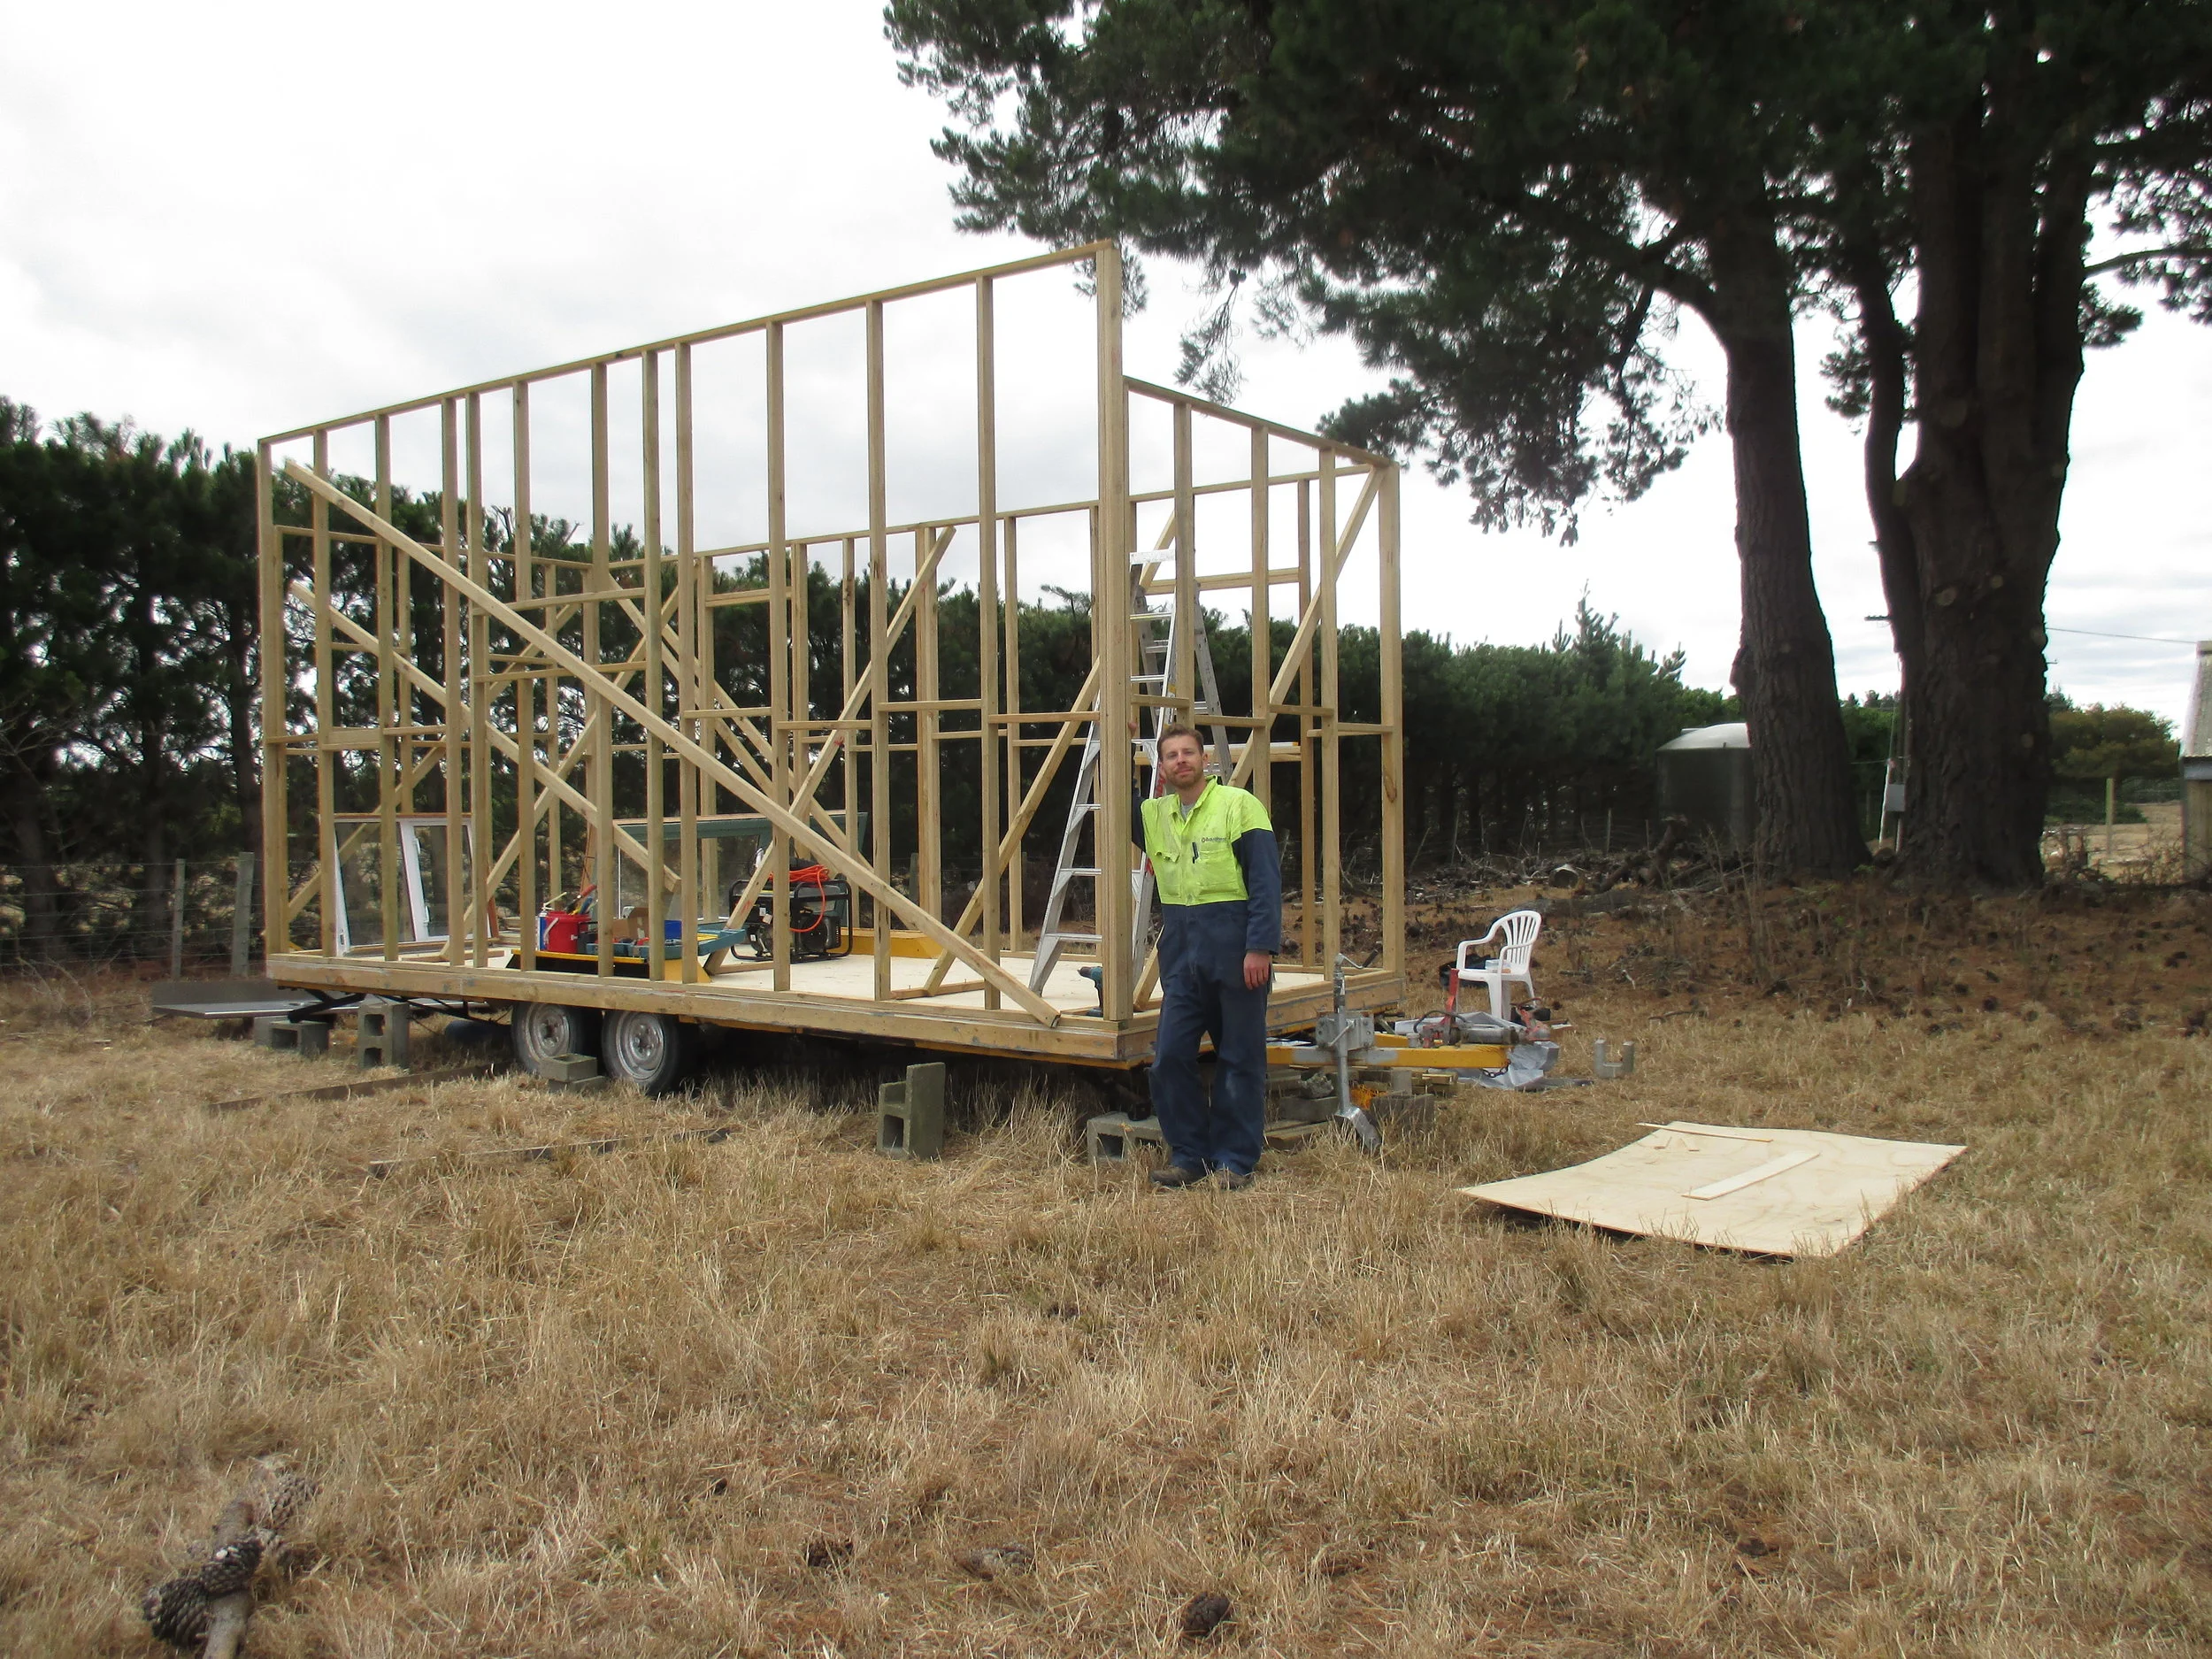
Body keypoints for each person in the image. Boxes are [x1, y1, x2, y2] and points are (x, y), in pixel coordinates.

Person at [1135, 722, 1280, 1190]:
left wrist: (1260, 947)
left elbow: (1265, 881)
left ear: (1205, 760)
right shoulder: (1155, 814)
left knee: (1239, 1057)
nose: (1181, 760)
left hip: (1234, 949)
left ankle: (1234, 1160)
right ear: (1161, 767)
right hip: (1182, 954)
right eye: (1171, 755)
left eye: (1188, 753)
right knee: (1169, 1058)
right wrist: (1119, 738)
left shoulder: (1238, 806)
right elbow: (1114, 795)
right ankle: (1190, 1156)